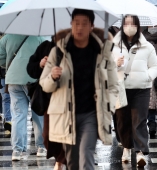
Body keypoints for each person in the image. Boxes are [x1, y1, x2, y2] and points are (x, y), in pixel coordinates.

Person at [39, 9, 119, 170]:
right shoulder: (58, 52)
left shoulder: (102, 51)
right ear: (71, 25)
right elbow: (45, 85)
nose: (80, 27)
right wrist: (53, 77)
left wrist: (107, 106)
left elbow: (113, 85)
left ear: (91, 26)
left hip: (91, 114)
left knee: (86, 154)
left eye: (84, 23)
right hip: (66, 114)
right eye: (76, 23)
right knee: (72, 160)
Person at [113, 15, 157, 167]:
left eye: (133, 23)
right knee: (122, 121)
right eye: (126, 23)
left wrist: (148, 76)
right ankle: (126, 147)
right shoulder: (113, 45)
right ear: (122, 26)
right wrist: (115, 64)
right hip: (121, 88)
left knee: (139, 120)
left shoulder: (147, 46)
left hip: (141, 89)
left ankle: (141, 152)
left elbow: (155, 66)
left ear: (138, 26)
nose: (129, 26)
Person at [0, 34, 46, 161]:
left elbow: (0, 57)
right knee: (38, 114)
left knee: (18, 115)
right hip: (35, 80)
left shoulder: (7, 37)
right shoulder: (40, 37)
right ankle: (41, 147)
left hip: (14, 79)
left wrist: (11, 65)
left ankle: (17, 151)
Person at [27, 37, 66, 170]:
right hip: (48, 99)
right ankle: (59, 158)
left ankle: (62, 161)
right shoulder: (45, 46)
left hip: (69, 99)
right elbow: (31, 69)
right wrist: (40, 64)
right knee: (48, 135)